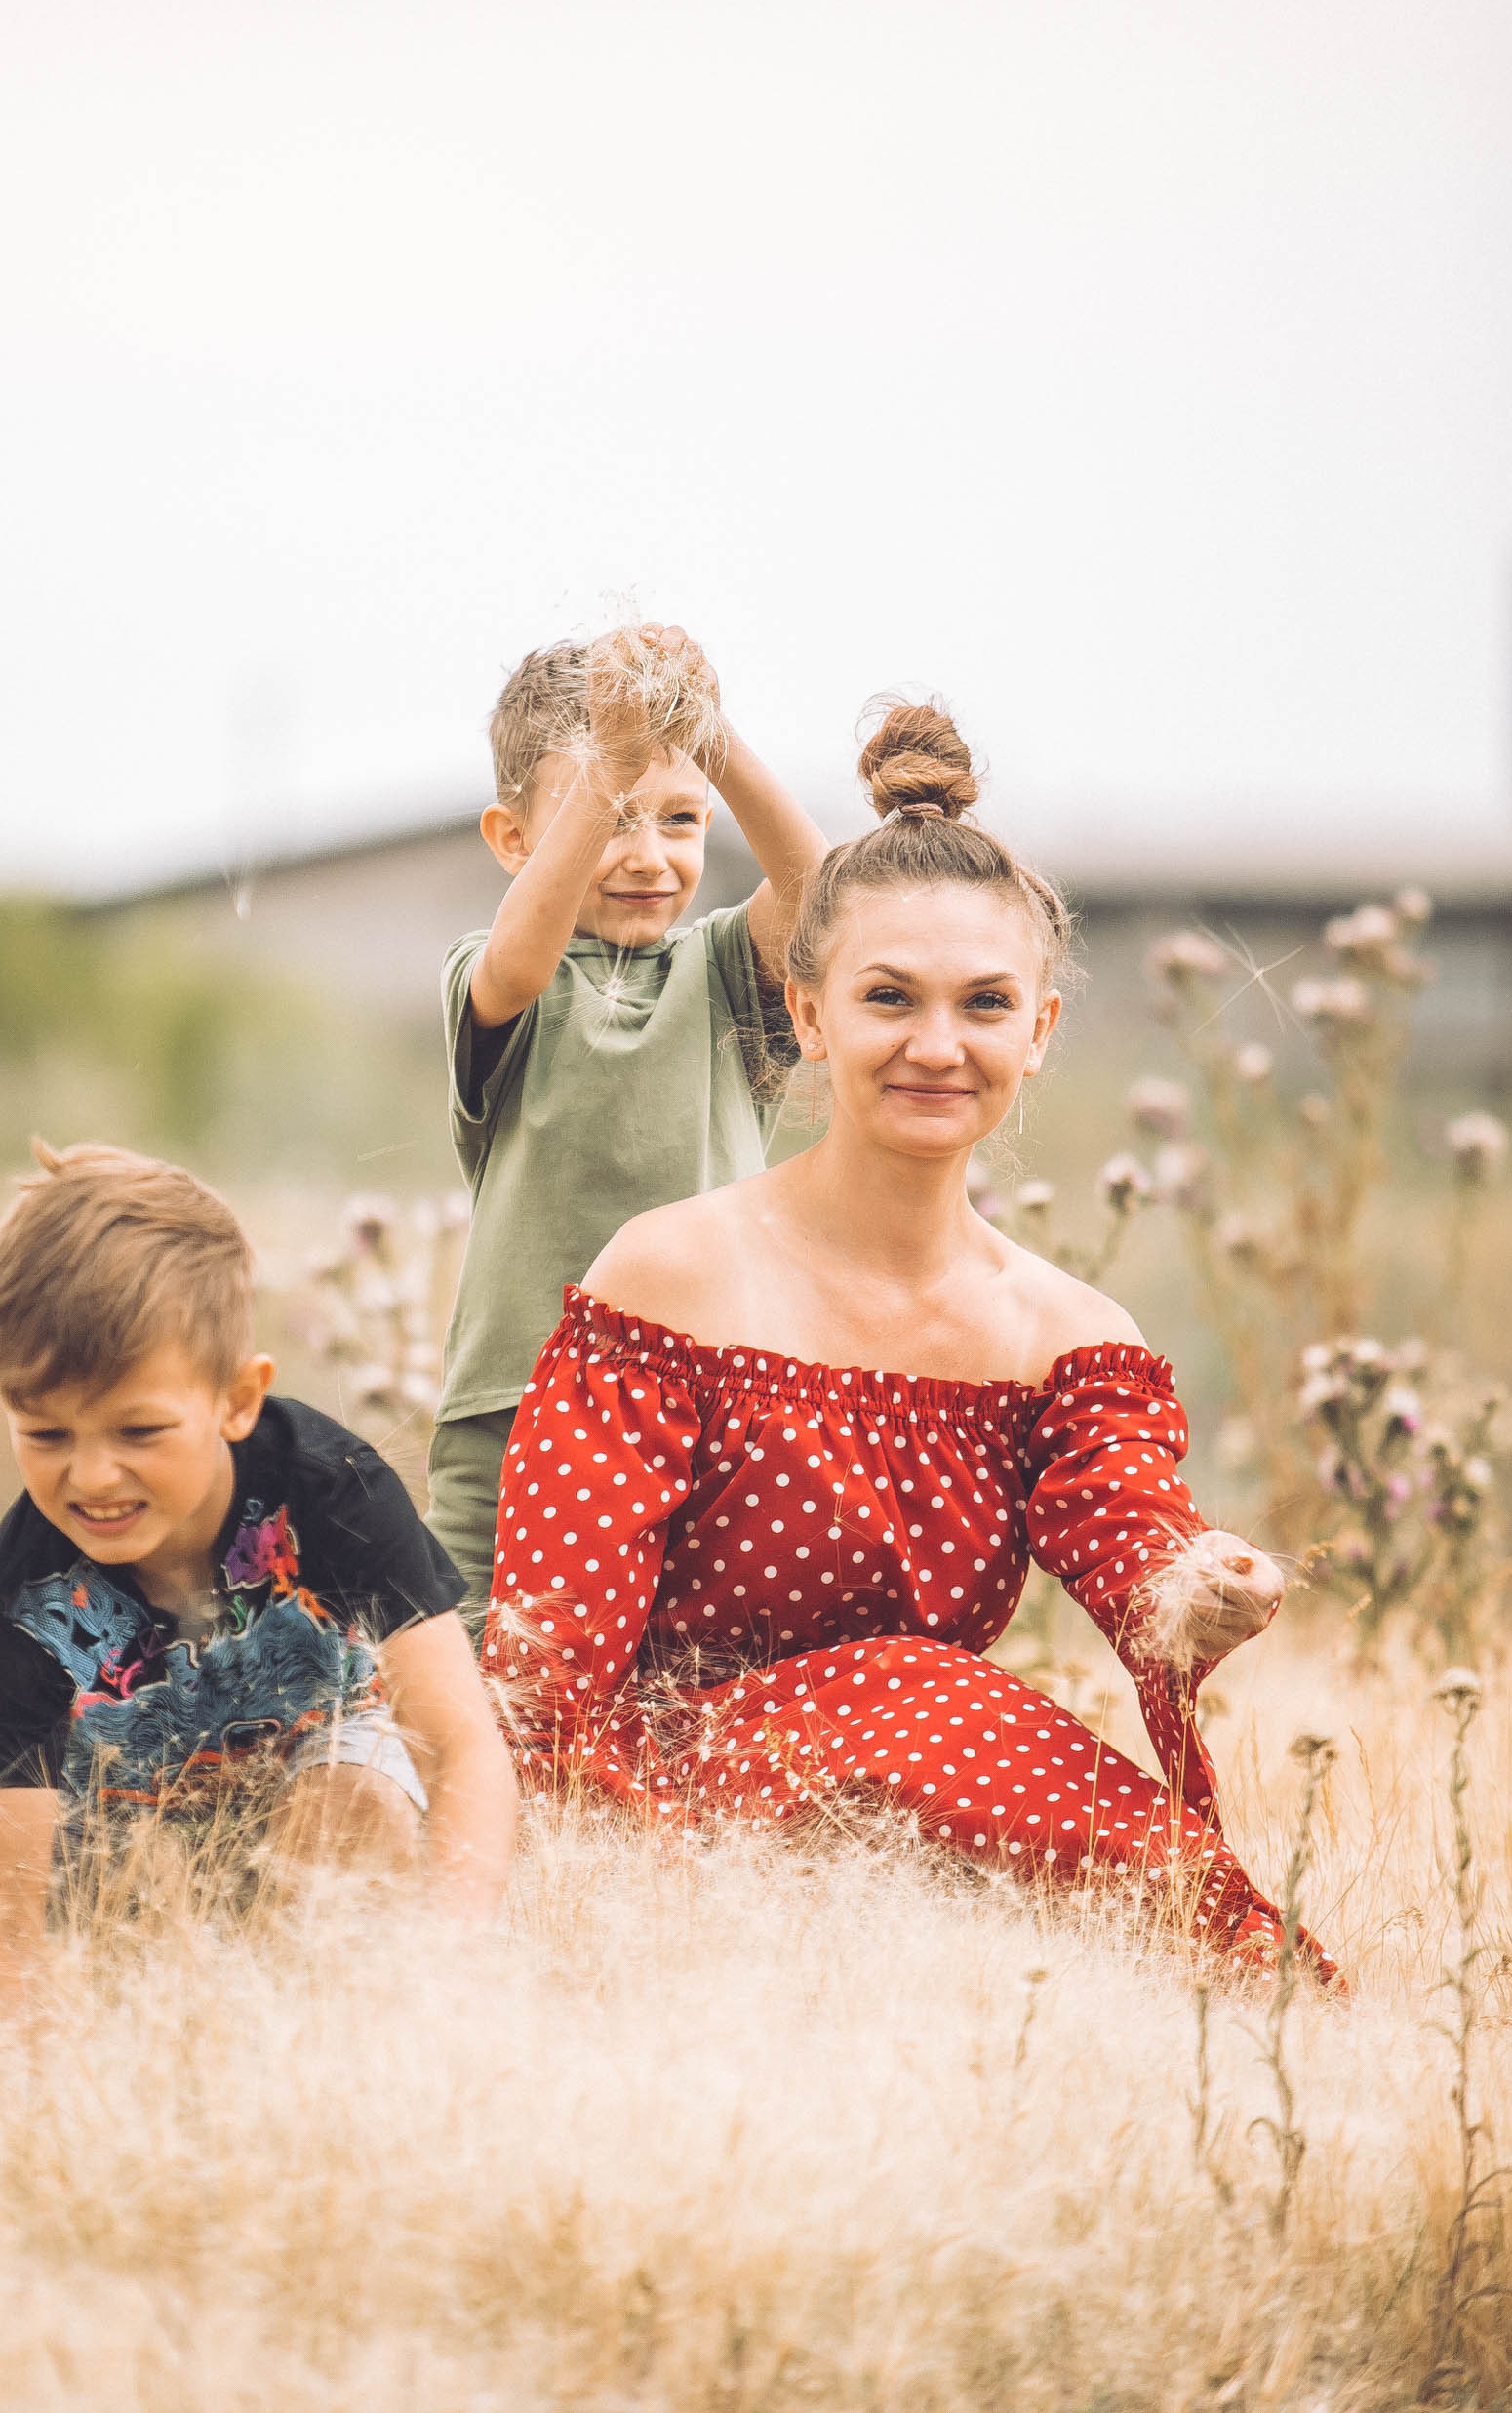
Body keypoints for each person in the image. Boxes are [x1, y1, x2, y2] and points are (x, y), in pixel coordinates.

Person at [480, 702, 1337, 1985]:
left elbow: (1131, 1534)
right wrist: (579, 1885)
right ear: (811, 1013)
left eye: (984, 1005)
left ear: (1037, 1035)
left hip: (920, 1816)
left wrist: (1197, 1583)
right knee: (917, 1693)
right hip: (651, 1808)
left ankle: (1259, 2007)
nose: (937, 1046)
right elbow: (549, 1661)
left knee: (984, 1763)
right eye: (890, 998)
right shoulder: (670, 1275)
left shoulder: (1068, 1336)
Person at [0, 1143, 517, 2034]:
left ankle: (313, 2045)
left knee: (345, 1809)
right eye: (45, 1435)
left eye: (138, 1429)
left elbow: (465, 1747)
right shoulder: (17, 1602)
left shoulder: (328, 1486)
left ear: (238, 1399)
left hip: (319, 1776)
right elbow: (2, 1934)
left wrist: (449, 1961)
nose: (92, 1477)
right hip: (109, 1839)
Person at [427, 622, 828, 1629]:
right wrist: (611, 757)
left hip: (714, 1404)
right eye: (609, 817)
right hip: (513, 1401)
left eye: (680, 820)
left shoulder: (726, 972)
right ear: (512, 839)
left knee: (683, 1684)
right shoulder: (496, 970)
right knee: (487, 1674)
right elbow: (516, 963)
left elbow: (825, 899)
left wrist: (713, 734)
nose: (648, 856)